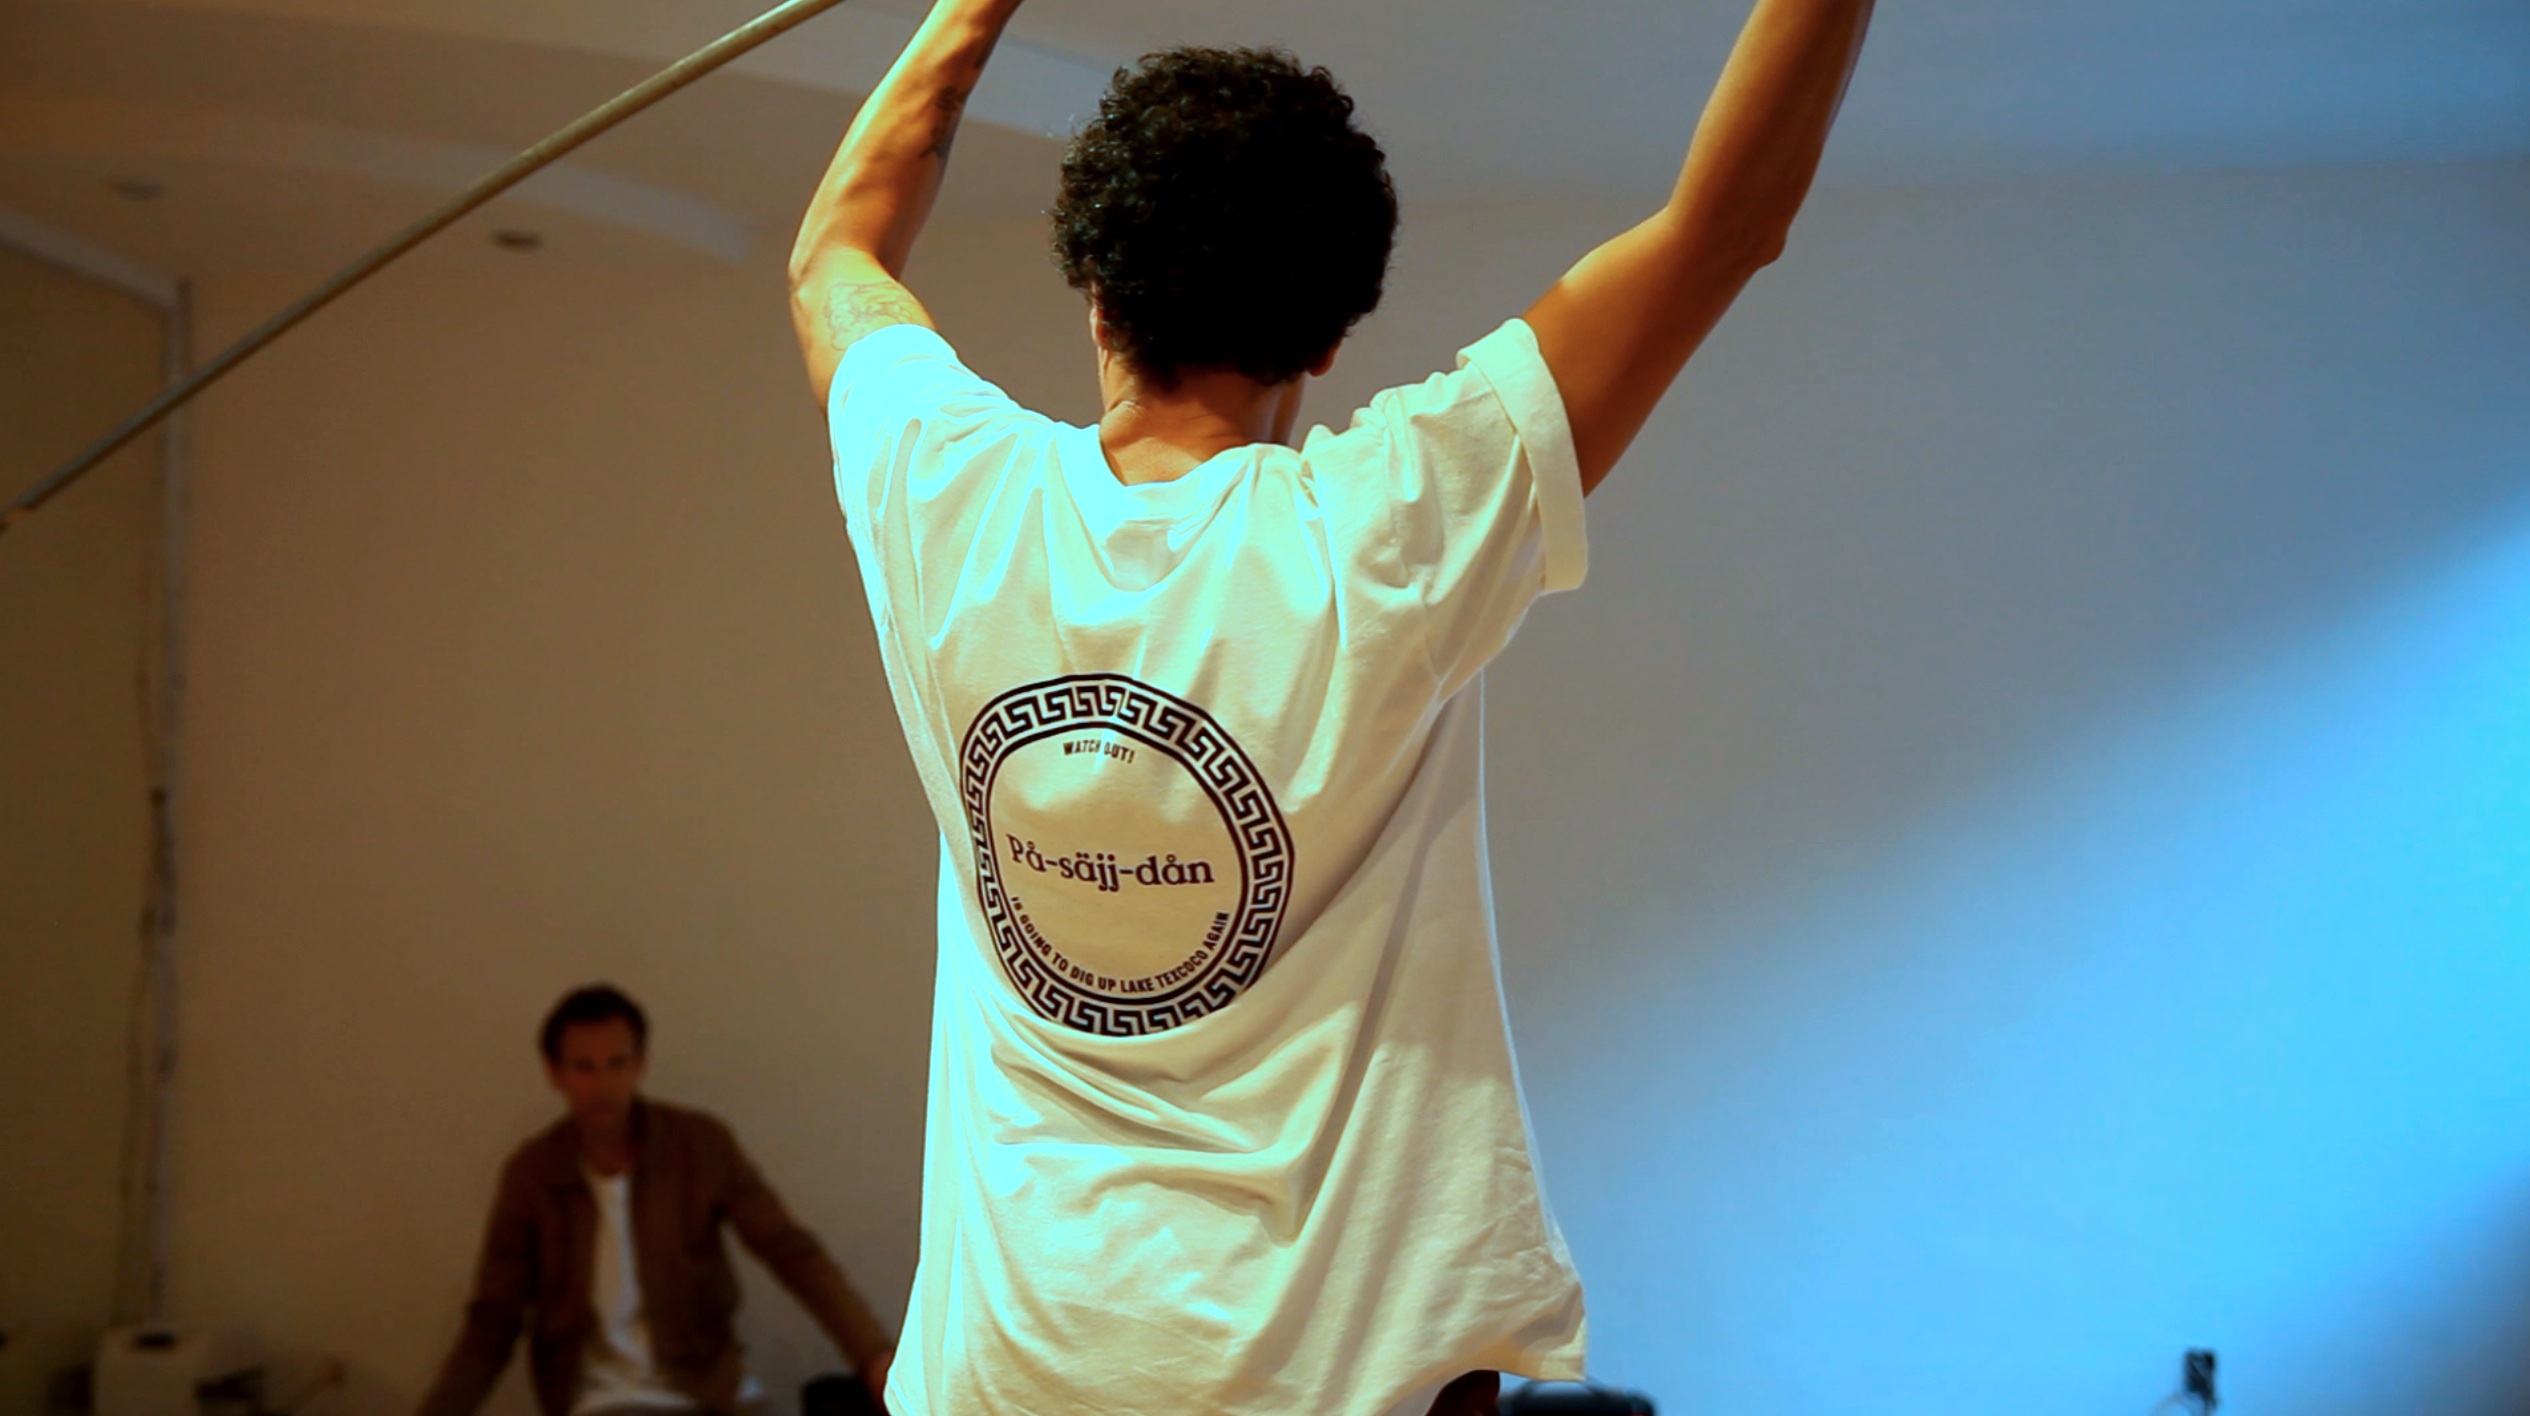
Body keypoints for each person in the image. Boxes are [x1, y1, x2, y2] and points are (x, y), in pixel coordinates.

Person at [785, 1, 1872, 1411]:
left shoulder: (943, 488)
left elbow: (837, 252)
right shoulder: (1387, 527)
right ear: (1327, 341)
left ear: (1096, 293)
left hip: (1008, 1378)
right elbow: (1724, 228)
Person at [417, 986, 893, 1416]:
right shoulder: (535, 1174)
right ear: (554, 1072)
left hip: (711, 1389)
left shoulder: (699, 1146)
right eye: (584, 1067)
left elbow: (791, 1252)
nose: (602, 1085)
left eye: (617, 1063)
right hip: (599, 1400)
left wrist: (874, 1356)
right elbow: (493, 1320)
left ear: (640, 1064)